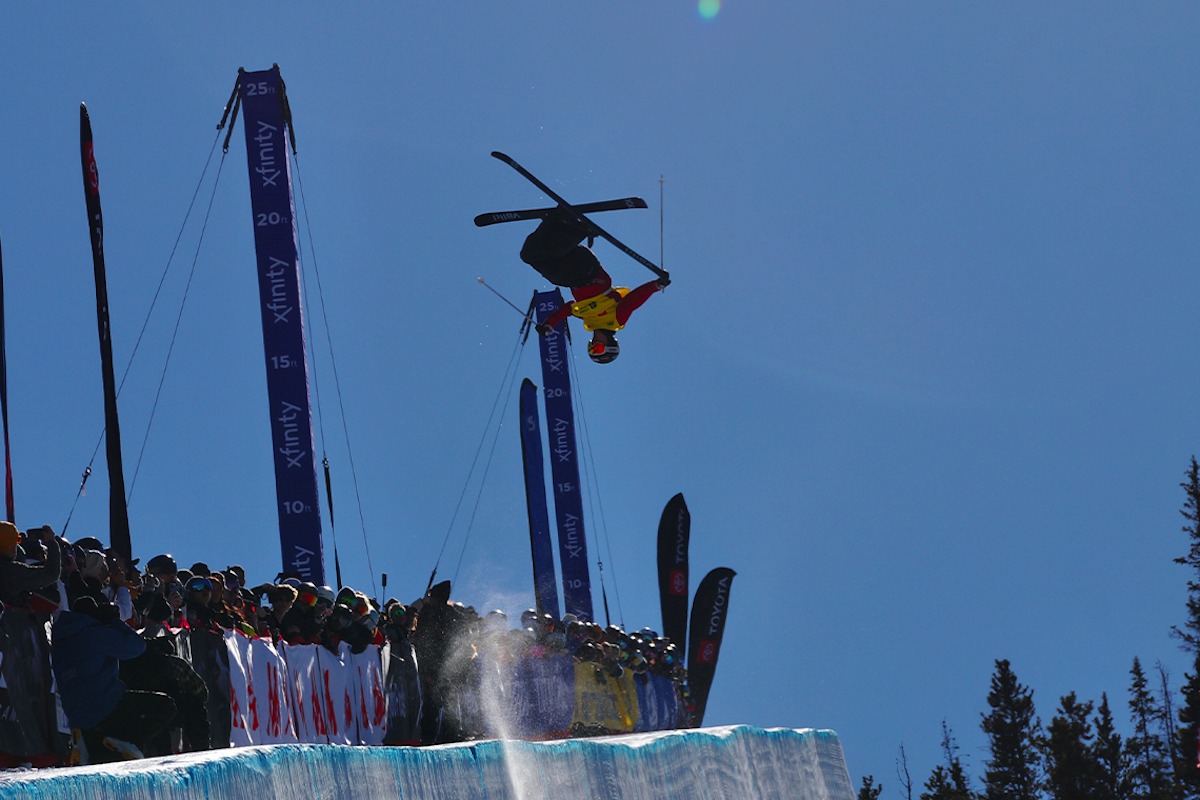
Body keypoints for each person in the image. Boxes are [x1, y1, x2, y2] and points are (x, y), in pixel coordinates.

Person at [522, 212, 668, 364]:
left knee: (528, 255)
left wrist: (549, 325)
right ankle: (580, 229)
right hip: (587, 270)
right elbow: (633, 301)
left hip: (571, 272)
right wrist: (656, 285)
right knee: (555, 275)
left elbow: (566, 310)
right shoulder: (615, 320)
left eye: (591, 348)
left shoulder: (589, 320)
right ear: (610, 343)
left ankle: (555, 222)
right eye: (598, 348)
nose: (593, 344)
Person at [52, 596, 176, 763]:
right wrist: (115, 622)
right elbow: (137, 646)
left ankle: (87, 743)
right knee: (165, 706)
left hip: (76, 715)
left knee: (102, 756)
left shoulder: (60, 640)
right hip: (104, 705)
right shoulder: (94, 633)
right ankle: (130, 742)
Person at [0, 523, 60, 606]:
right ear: (8, 543)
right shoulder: (11, 571)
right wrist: (51, 542)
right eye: (16, 540)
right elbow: (51, 573)